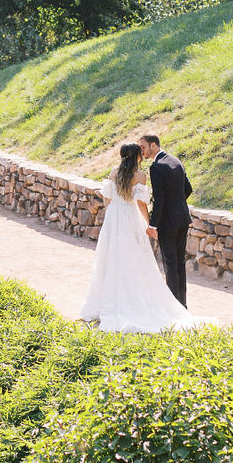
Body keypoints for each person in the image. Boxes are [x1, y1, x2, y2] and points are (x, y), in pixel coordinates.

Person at [78, 142, 198, 332]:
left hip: (114, 216)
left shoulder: (113, 171)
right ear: (137, 157)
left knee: (111, 258)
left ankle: (108, 301)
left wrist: (111, 216)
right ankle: (134, 299)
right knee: (135, 258)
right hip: (129, 216)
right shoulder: (140, 175)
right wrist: (150, 223)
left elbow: (107, 197)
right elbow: (141, 204)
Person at [140, 133, 192, 306]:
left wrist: (153, 224)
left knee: (170, 263)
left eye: (143, 147)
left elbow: (160, 199)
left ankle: (173, 305)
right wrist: (177, 205)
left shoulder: (156, 167)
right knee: (180, 262)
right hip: (183, 218)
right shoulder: (176, 161)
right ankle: (182, 303)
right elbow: (188, 189)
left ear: (153, 145)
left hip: (167, 222)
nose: (142, 151)